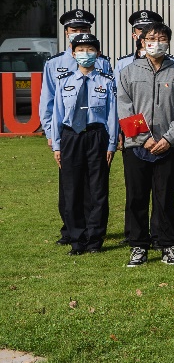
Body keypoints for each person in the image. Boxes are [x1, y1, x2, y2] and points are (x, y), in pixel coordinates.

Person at [117, 23, 174, 268]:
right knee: (136, 197)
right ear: (142, 41)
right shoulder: (128, 72)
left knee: (165, 197)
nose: (156, 43)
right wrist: (143, 138)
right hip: (136, 146)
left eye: (161, 38)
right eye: (151, 38)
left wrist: (168, 139)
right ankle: (138, 245)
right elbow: (124, 107)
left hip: (166, 146)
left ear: (168, 42)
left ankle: (167, 244)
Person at [49, 32, 117, 255]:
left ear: (98, 53)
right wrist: (57, 145)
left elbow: (112, 115)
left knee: (98, 189)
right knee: (72, 189)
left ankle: (95, 239)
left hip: (97, 136)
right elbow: (57, 115)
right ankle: (77, 239)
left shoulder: (107, 82)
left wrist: (111, 144)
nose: (85, 54)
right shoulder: (64, 81)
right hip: (71, 137)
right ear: (73, 53)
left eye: (90, 50)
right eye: (80, 50)